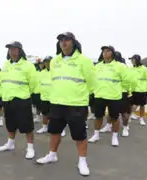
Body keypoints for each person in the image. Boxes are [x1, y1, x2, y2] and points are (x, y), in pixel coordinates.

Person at [36, 32, 93, 176]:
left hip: (76, 104)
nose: (63, 43)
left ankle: (82, 161)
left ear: (73, 42)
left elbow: (92, 82)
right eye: (61, 40)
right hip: (57, 103)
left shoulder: (83, 61)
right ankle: (52, 154)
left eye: (66, 40)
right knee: (54, 131)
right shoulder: (55, 61)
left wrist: (85, 98)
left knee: (79, 135)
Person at [0, 41, 37, 159]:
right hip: (8, 99)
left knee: (27, 126)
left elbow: (33, 83)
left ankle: (30, 148)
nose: (12, 52)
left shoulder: (28, 65)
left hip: (22, 99)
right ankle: (10, 144)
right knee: (10, 124)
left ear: (20, 51)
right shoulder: (6, 65)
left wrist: (25, 93)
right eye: (10, 49)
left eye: (14, 49)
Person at [88, 46, 136, 146]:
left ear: (112, 53)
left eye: (108, 51)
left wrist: (125, 90)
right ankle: (96, 135)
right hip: (99, 95)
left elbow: (127, 80)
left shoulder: (120, 66)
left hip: (114, 96)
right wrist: (92, 92)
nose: (105, 53)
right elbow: (92, 80)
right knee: (98, 117)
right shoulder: (97, 66)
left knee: (114, 118)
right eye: (103, 51)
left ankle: (114, 137)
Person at [129, 54, 147, 126]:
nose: (131, 61)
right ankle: (130, 116)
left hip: (141, 90)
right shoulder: (131, 69)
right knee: (131, 105)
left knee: (142, 105)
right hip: (132, 90)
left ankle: (141, 119)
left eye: (133, 59)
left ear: (137, 60)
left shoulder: (144, 69)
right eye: (131, 59)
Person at [36, 56, 53, 134]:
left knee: (56, 115)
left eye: (49, 61)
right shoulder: (42, 72)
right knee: (44, 113)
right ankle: (44, 127)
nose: (47, 63)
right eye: (46, 62)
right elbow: (39, 83)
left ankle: (61, 130)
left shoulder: (56, 71)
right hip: (44, 96)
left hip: (54, 97)